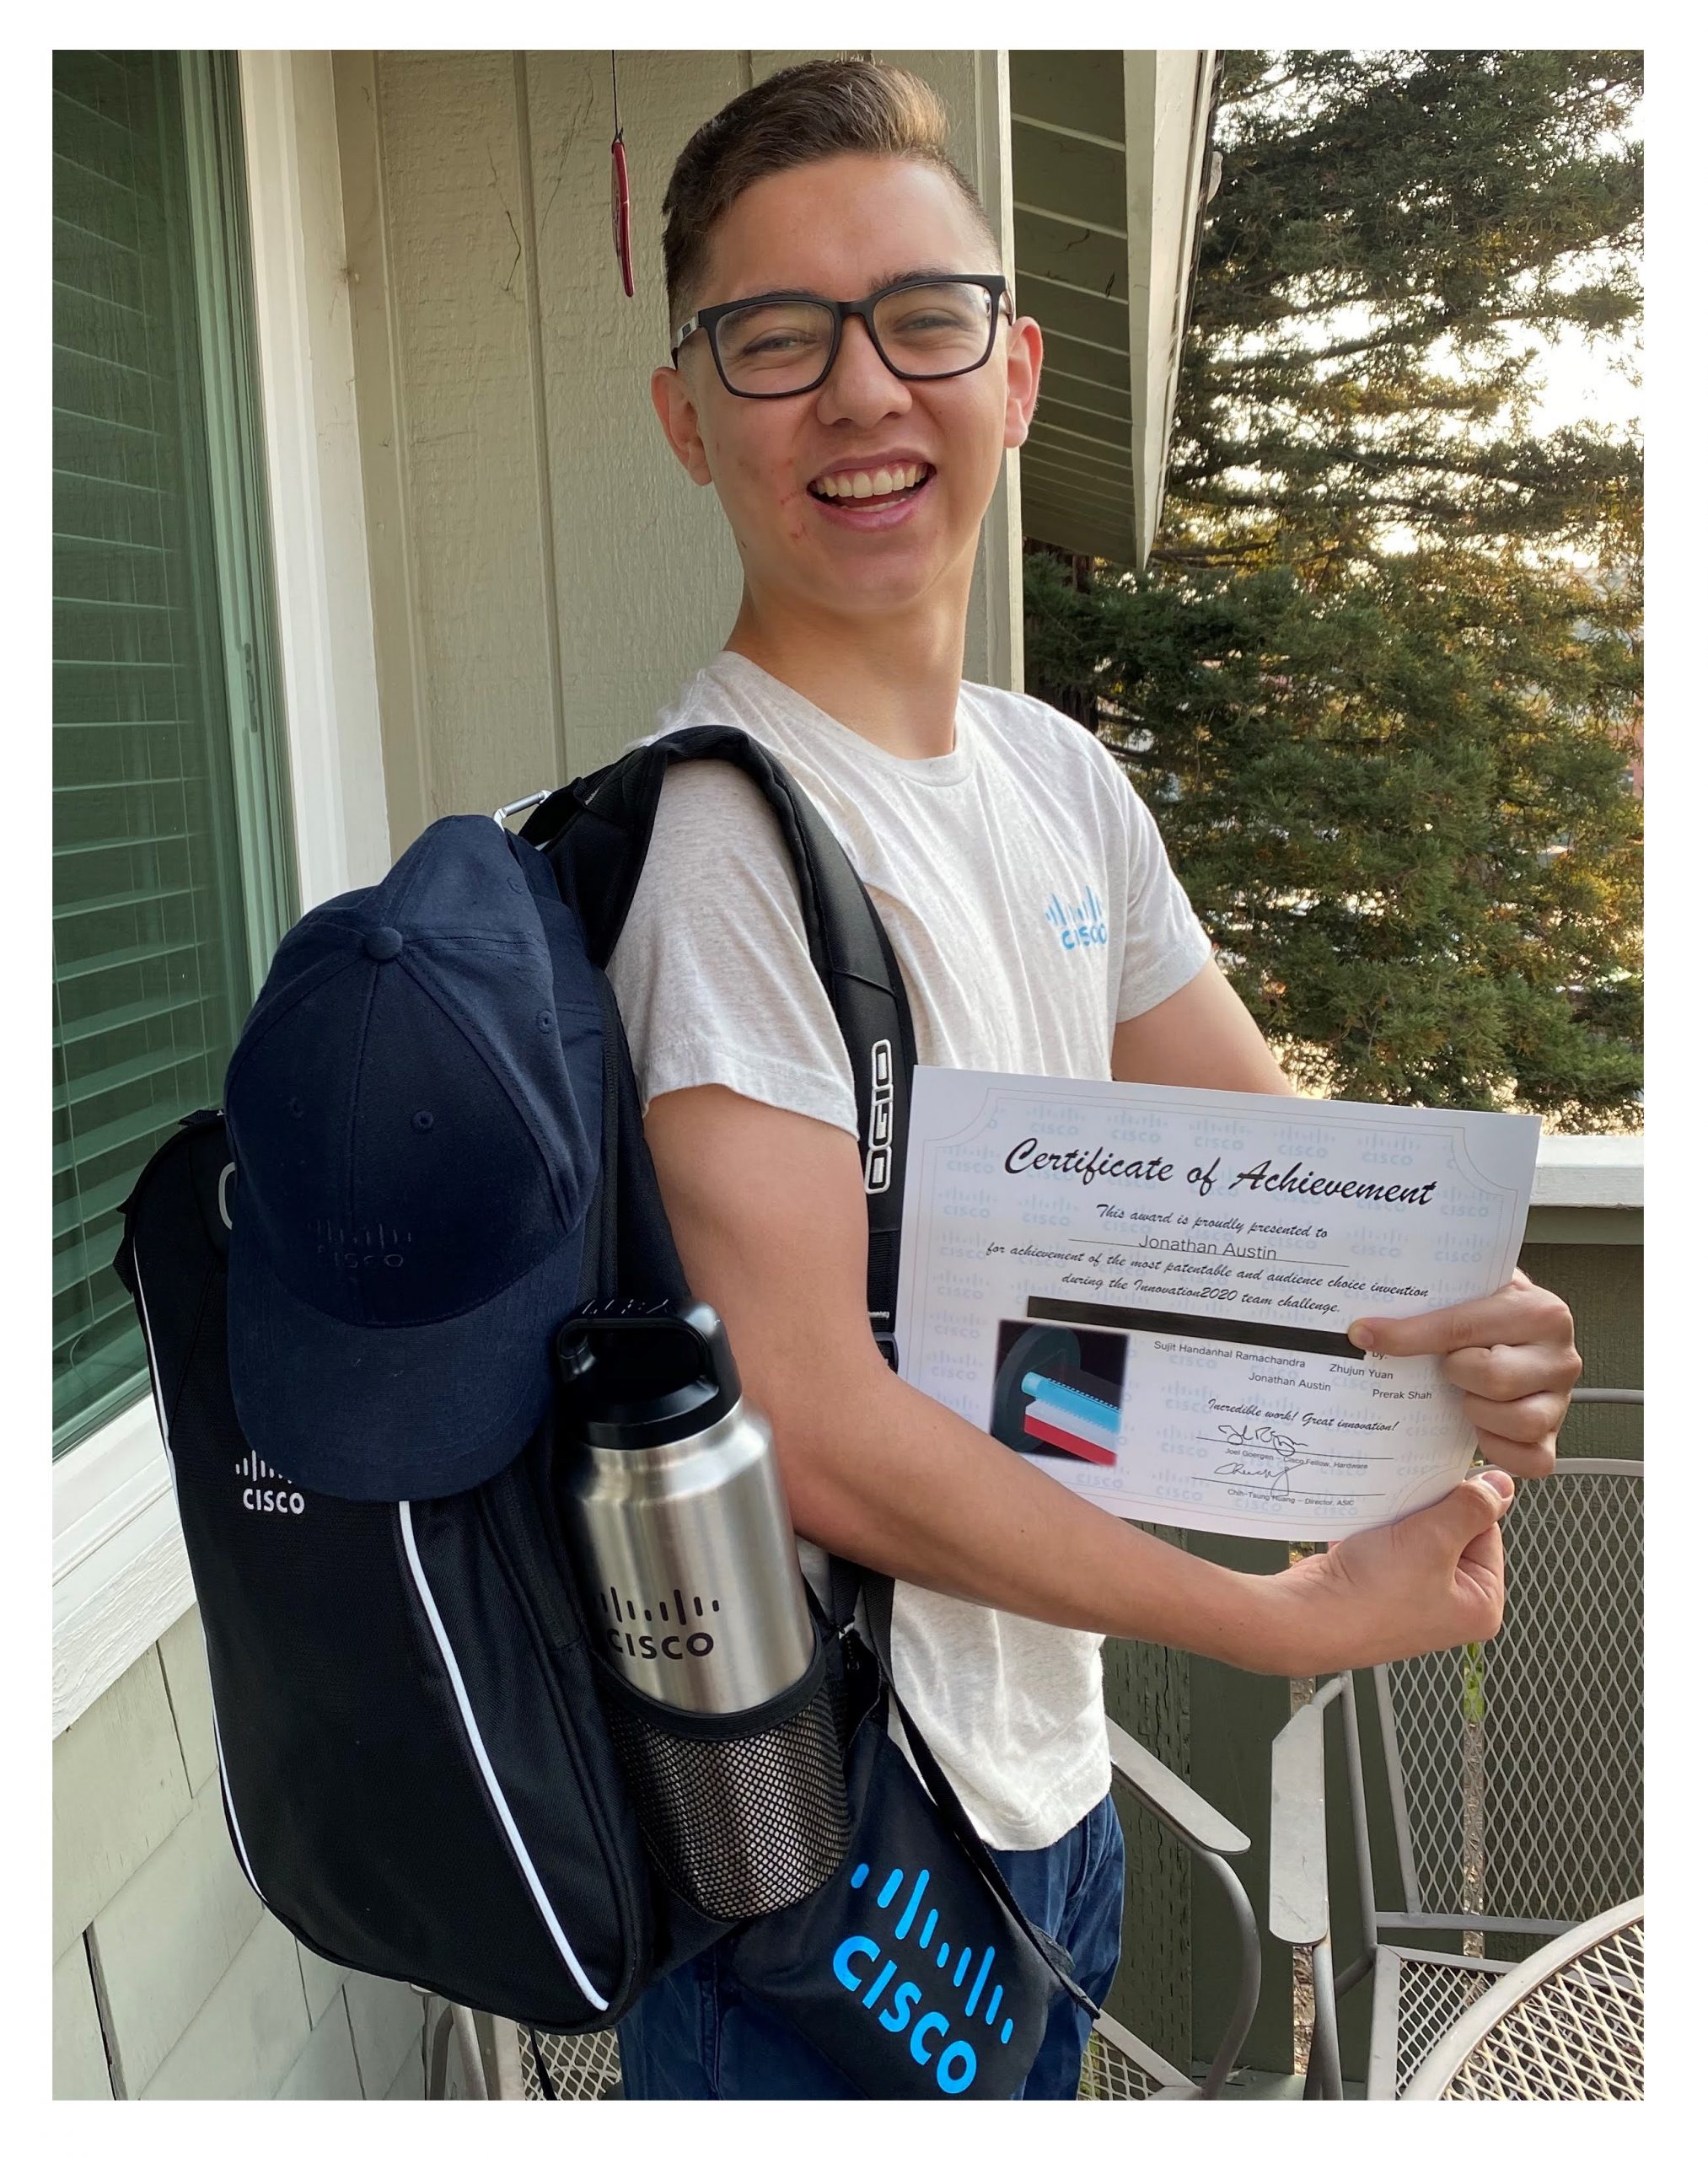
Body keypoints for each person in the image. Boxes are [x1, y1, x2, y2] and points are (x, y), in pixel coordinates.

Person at [607, 59, 1582, 2101]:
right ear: (688, 413)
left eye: (919, 319)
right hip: (837, 1855)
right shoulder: (717, 849)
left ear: (1016, 369)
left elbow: (1294, 1188)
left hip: (1047, 1783)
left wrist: (1467, 1323)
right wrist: (1274, 1619)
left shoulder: (1056, 777)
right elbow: (821, 1437)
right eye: (776, 340)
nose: (862, 393)